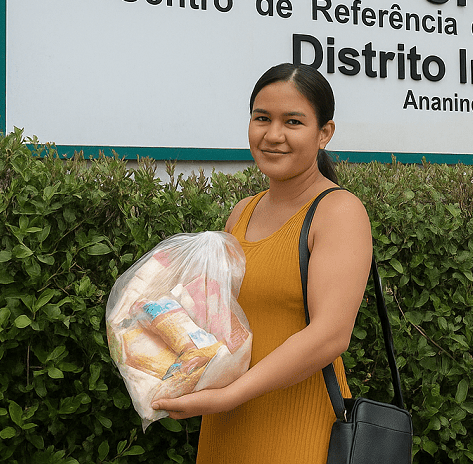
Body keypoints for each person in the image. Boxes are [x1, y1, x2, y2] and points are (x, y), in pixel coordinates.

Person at [152, 63, 373, 464]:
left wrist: (231, 395)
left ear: (324, 133)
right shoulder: (241, 213)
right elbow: (219, 319)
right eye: (261, 118)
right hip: (226, 423)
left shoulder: (339, 212)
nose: (273, 135)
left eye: (293, 122)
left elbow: (330, 336)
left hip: (296, 425)